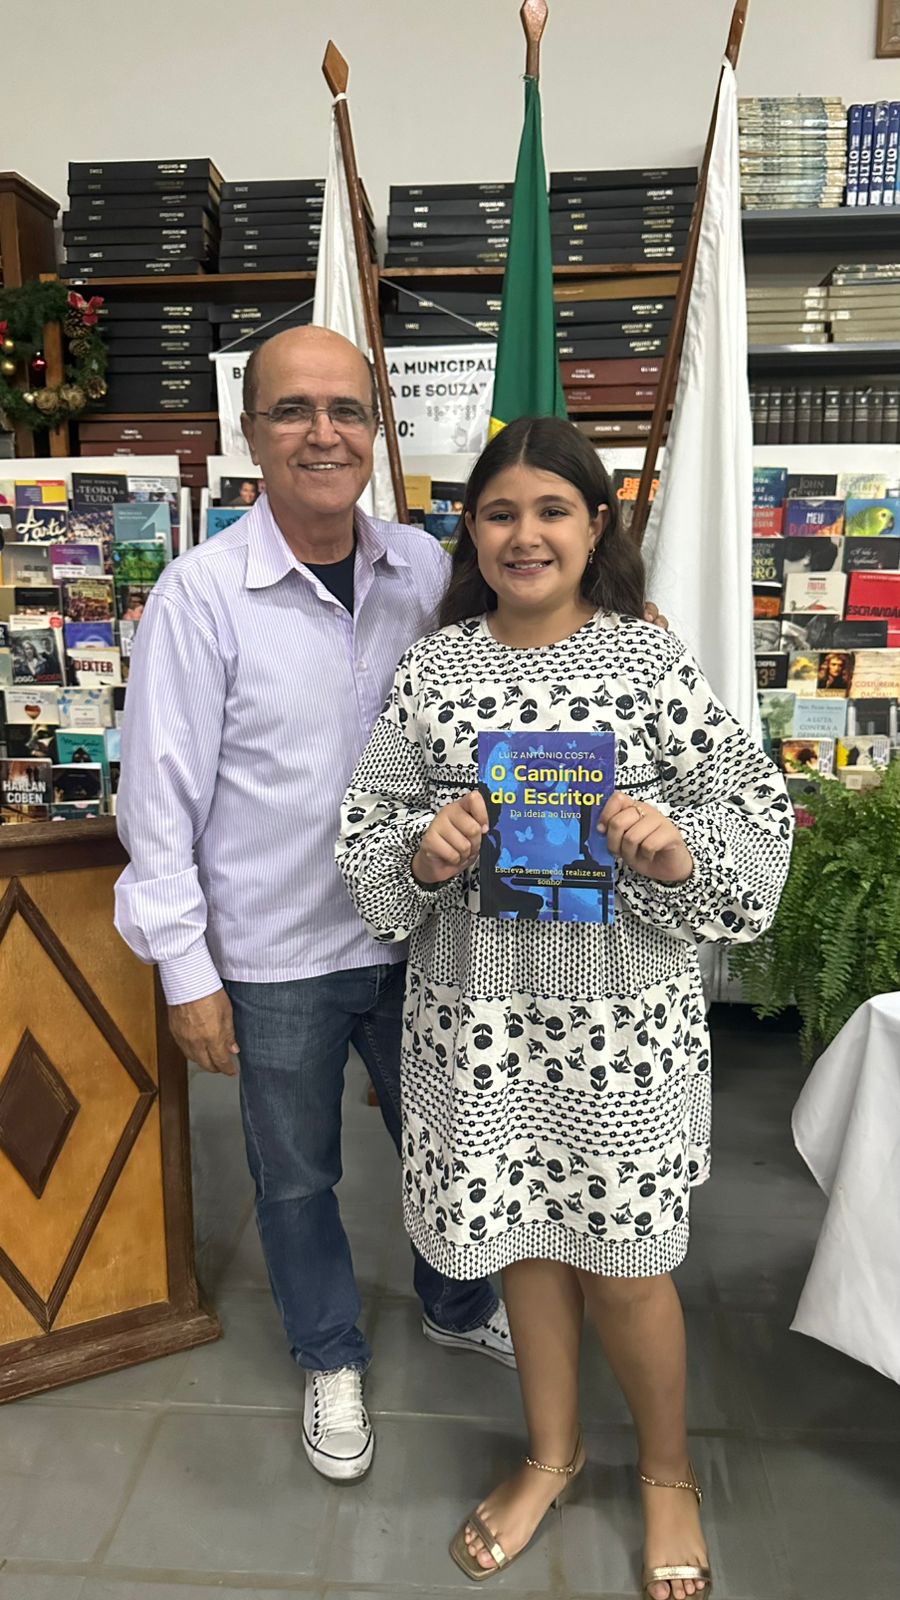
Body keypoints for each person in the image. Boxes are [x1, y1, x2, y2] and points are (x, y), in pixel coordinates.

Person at [337, 416, 793, 1594]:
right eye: (500, 512)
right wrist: (427, 849)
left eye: (551, 510)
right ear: (471, 532)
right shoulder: (435, 672)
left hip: (620, 1033)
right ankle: (551, 1452)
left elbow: (755, 814)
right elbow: (368, 835)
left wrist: (676, 848)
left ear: (598, 526)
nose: (525, 534)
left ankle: (667, 1473)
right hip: (478, 1027)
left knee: (627, 1264)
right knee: (524, 1247)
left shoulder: (648, 664)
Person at [114, 326, 515, 1485]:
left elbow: (525, 659)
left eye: (346, 409)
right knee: (295, 1176)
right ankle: (329, 1348)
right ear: (252, 432)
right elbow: (158, 798)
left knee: (447, 1139)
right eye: (294, 410)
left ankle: (457, 1300)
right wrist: (186, 971)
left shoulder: (426, 570)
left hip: (422, 930)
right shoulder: (201, 596)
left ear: (375, 429)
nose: (323, 433)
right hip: (276, 950)